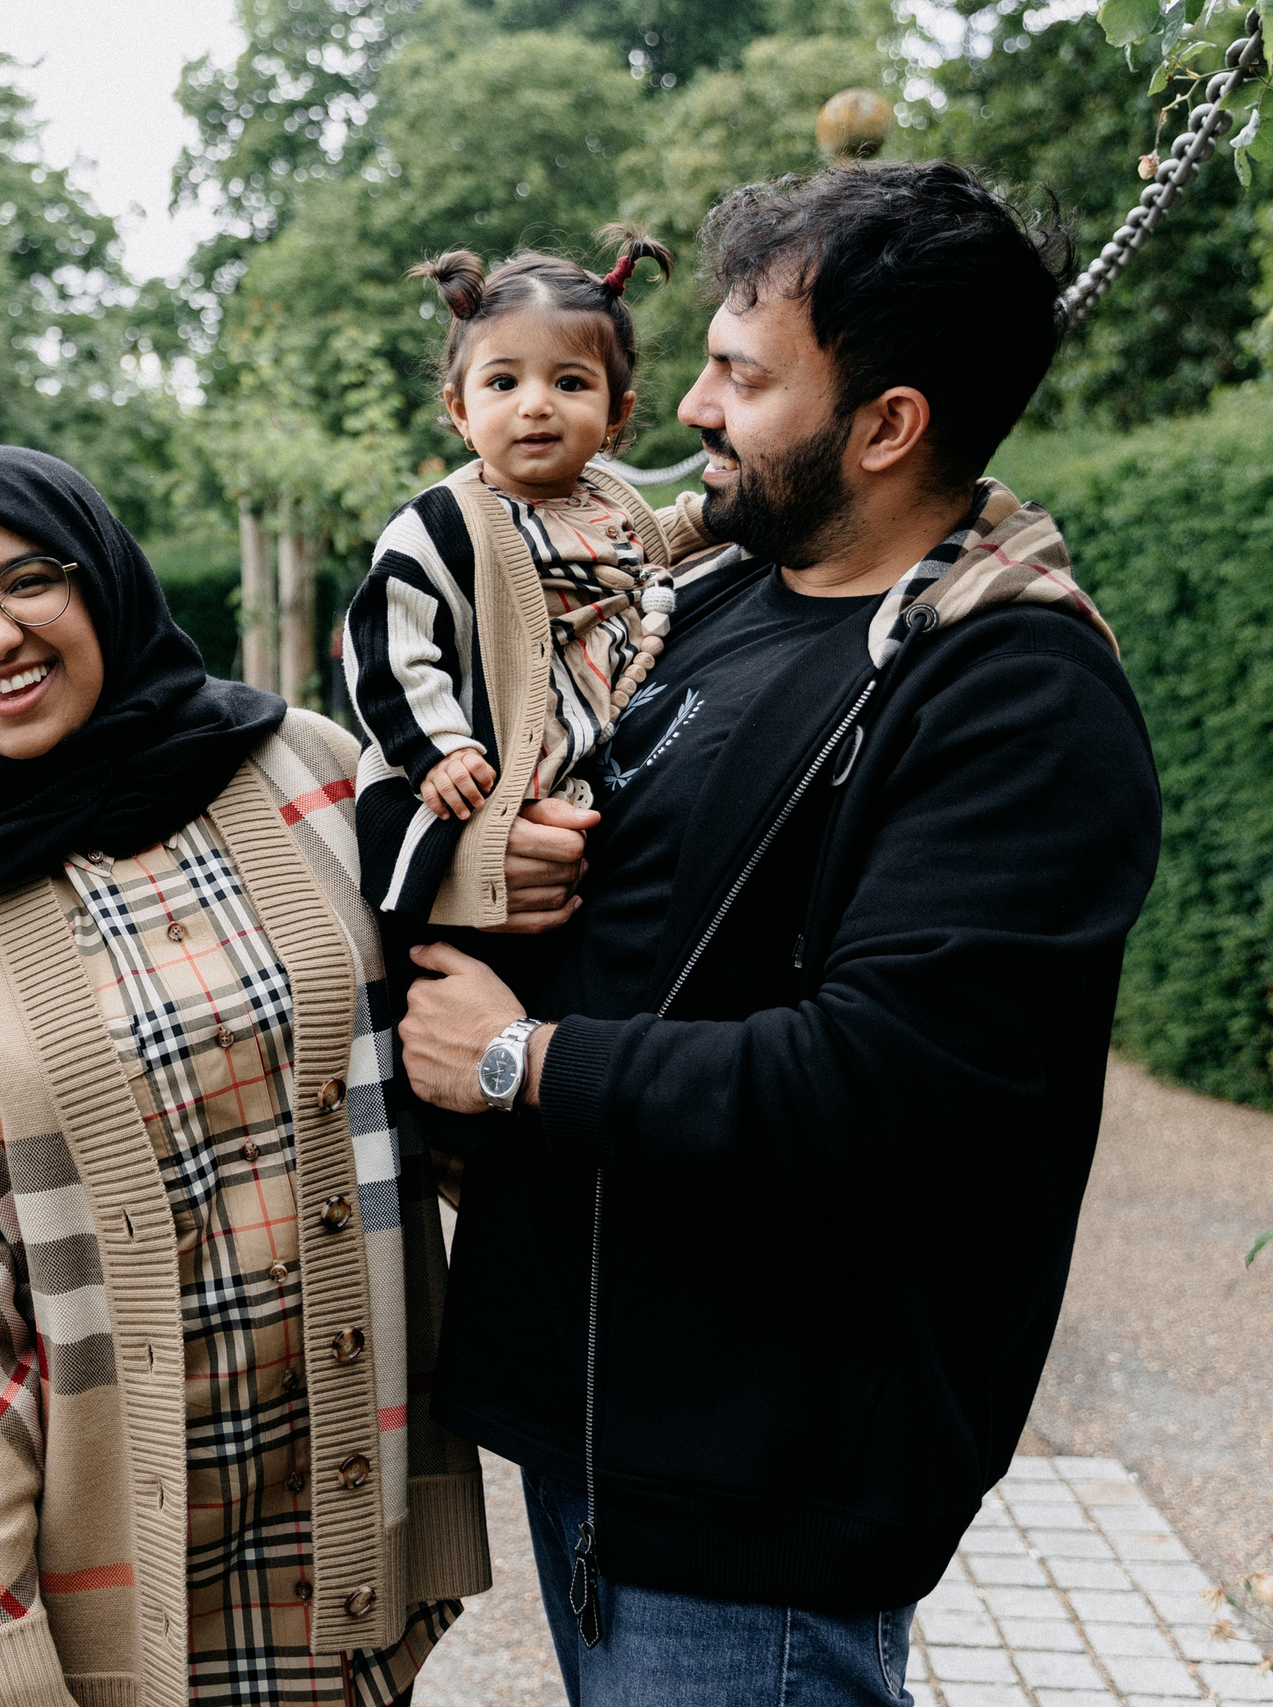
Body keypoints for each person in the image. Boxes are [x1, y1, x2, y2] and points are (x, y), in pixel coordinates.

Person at [395, 162, 1163, 1706]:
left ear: (885, 424)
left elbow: (883, 1083)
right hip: (608, 1427)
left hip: (760, 1491)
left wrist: (514, 1058)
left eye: (743, 375)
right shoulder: (723, 598)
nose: (682, 405)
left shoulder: (1008, 693)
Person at [0, 445, 494, 1707]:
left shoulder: (309, 772)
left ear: (106, 581)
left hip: (346, 1513)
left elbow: (446, 1073)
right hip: (126, 1573)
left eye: (28, 580)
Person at [345, 224, 714, 927]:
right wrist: (438, 749)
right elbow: (388, 646)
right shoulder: (441, 527)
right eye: (504, 381)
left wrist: (714, 521)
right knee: (464, 942)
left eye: (570, 382)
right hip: (471, 786)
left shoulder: (608, 505)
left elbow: (645, 545)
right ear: (460, 409)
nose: (536, 403)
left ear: (615, 415)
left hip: (578, 772)